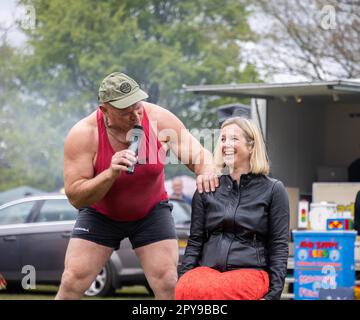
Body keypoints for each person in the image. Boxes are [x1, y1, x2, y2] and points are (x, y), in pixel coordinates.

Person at [55, 72, 218, 300]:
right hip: (101, 214)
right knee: (72, 280)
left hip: (151, 212)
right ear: (105, 110)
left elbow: (200, 156)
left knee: (168, 281)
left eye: (137, 106)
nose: (135, 115)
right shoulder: (83, 134)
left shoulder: (159, 119)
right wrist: (109, 174)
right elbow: (76, 197)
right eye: (125, 111)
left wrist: (207, 171)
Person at [175, 117, 289, 300]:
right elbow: (195, 242)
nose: (226, 144)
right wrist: (184, 280)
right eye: (223, 139)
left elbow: (279, 246)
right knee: (189, 289)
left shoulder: (273, 190)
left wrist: (273, 295)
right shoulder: (207, 188)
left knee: (223, 292)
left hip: (250, 271)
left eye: (234, 139)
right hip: (208, 272)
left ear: (251, 146)